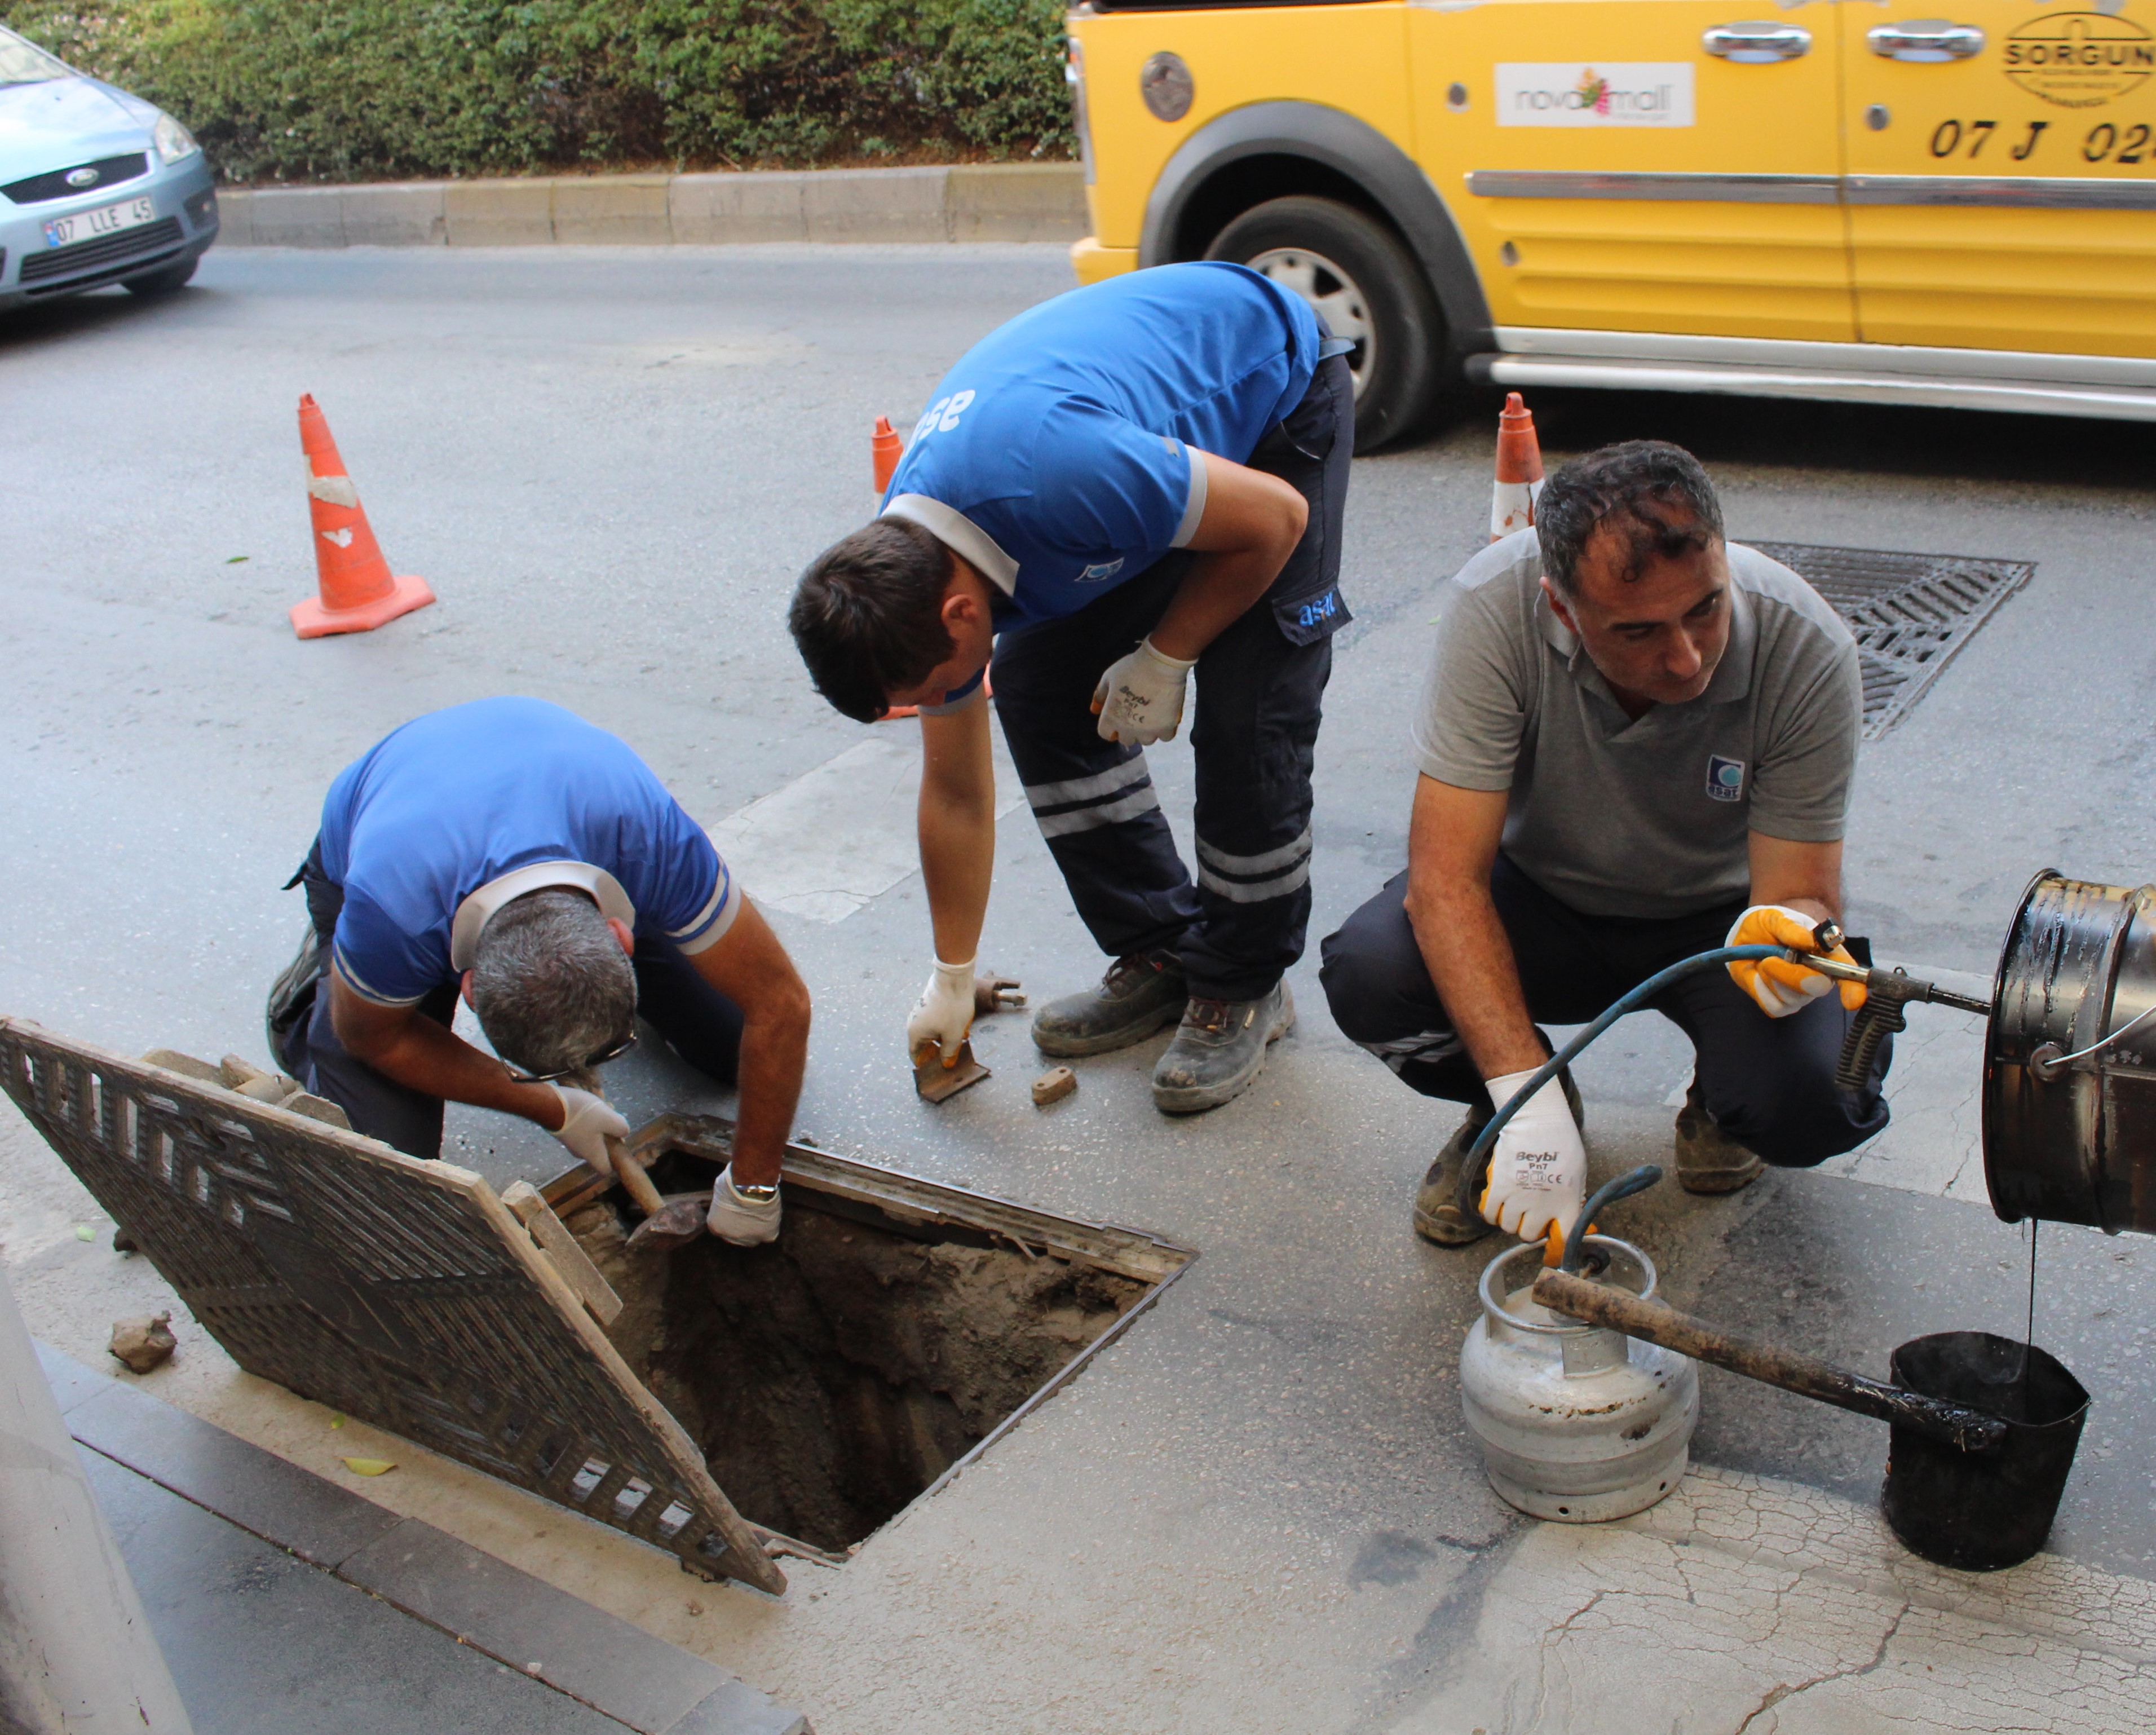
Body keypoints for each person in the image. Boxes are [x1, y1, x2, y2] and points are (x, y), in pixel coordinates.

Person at [788, 262, 1354, 1113]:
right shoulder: (907, 571)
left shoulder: (1059, 482)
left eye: (945, 681)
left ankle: (1244, 981)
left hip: (1272, 399)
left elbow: (1275, 519)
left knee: (1249, 711)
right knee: (1039, 682)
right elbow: (954, 791)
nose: (949, 694)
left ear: (957, 614)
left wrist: (1170, 653)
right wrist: (951, 973)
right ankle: (1164, 949)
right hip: (1127, 449)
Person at [1319, 440, 1888, 1248]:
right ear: (1561, 607)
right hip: (1545, 897)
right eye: (1638, 631)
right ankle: (1516, 1099)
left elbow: (1799, 889)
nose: (1687, 657)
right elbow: (1446, 881)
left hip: (1723, 920)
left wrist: (1793, 946)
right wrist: (1525, 1095)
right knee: (1371, 975)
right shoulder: (1497, 605)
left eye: (1705, 609)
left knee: (1815, 1102)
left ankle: (1723, 1097)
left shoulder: (1807, 644)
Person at [267, 697, 811, 1244]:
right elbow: (375, 1040)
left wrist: (754, 1187)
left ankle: (594, 1003)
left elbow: (779, 1004)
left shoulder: (644, 838)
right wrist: (550, 1106)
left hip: (553, 806)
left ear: (622, 936)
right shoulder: (392, 914)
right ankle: (317, 998)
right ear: (469, 989)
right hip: (384, 848)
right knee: (388, 1172)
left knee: (734, 1044)